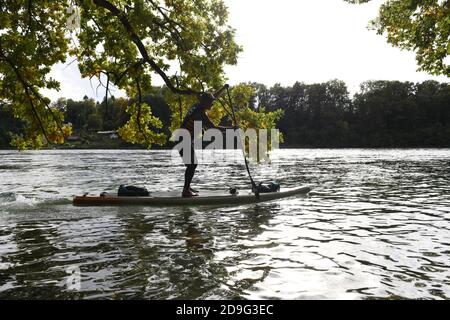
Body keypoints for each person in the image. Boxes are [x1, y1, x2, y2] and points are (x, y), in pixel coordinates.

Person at [179, 87, 234, 197]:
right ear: (204, 102)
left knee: (192, 165)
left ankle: (187, 187)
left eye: (213, 102)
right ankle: (185, 191)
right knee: (192, 164)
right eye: (211, 102)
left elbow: (213, 95)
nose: (212, 104)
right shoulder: (200, 114)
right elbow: (213, 128)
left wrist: (223, 88)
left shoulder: (198, 105)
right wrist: (231, 129)